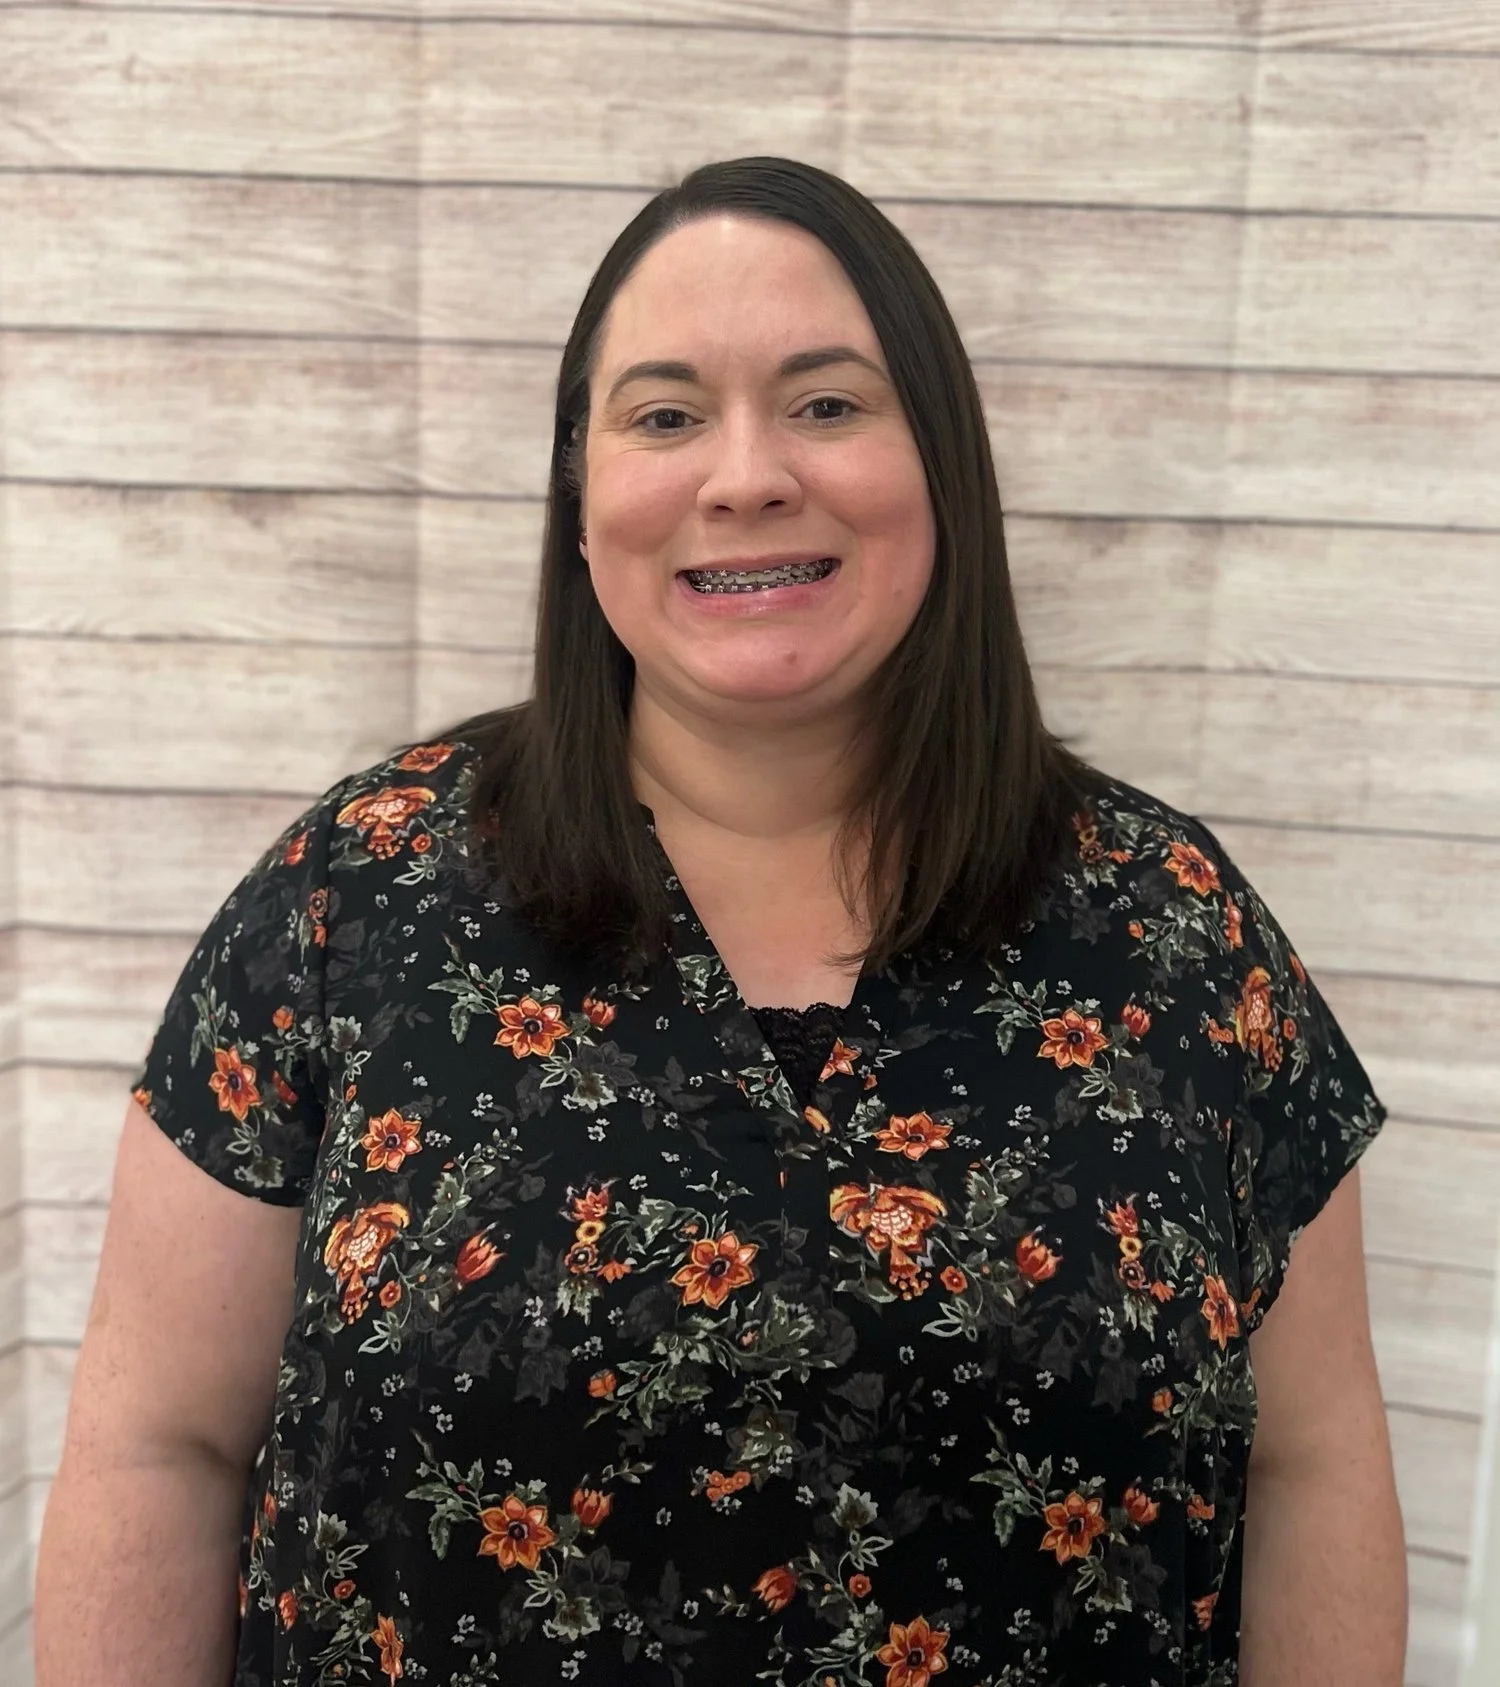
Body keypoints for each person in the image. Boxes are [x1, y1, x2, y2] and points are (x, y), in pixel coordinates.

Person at [34, 155, 1406, 1687]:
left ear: (940, 463)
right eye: (666, 413)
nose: (745, 473)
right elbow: (160, 1440)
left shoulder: (1179, 935)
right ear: (578, 495)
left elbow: (1317, 1464)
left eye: (827, 403)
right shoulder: (351, 898)